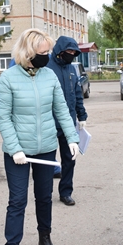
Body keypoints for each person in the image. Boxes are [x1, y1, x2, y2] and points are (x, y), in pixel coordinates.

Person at [0, 28, 80, 245]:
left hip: (46, 148)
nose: (48, 56)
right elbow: (3, 118)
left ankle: (45, 237)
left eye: (49, 51)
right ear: (29, 52)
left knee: (44, 198)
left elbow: (61, 108)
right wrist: (15, 149)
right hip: (18, 153)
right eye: (44, 52)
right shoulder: (8, 79)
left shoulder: (49, 75)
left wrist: (72, 137)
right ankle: (12, 242)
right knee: (17, 201)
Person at [46, 36, 88, 206]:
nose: (71, 55)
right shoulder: (47, 67)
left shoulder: (72, 69)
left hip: (68, 123)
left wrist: (82, 115)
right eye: (68, 51)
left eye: (73, 52)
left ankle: (66, 192)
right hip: (49, 122)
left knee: (70, 158)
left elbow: (77, 93)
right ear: (60, 51)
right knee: (48, 160)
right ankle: (45, 192)